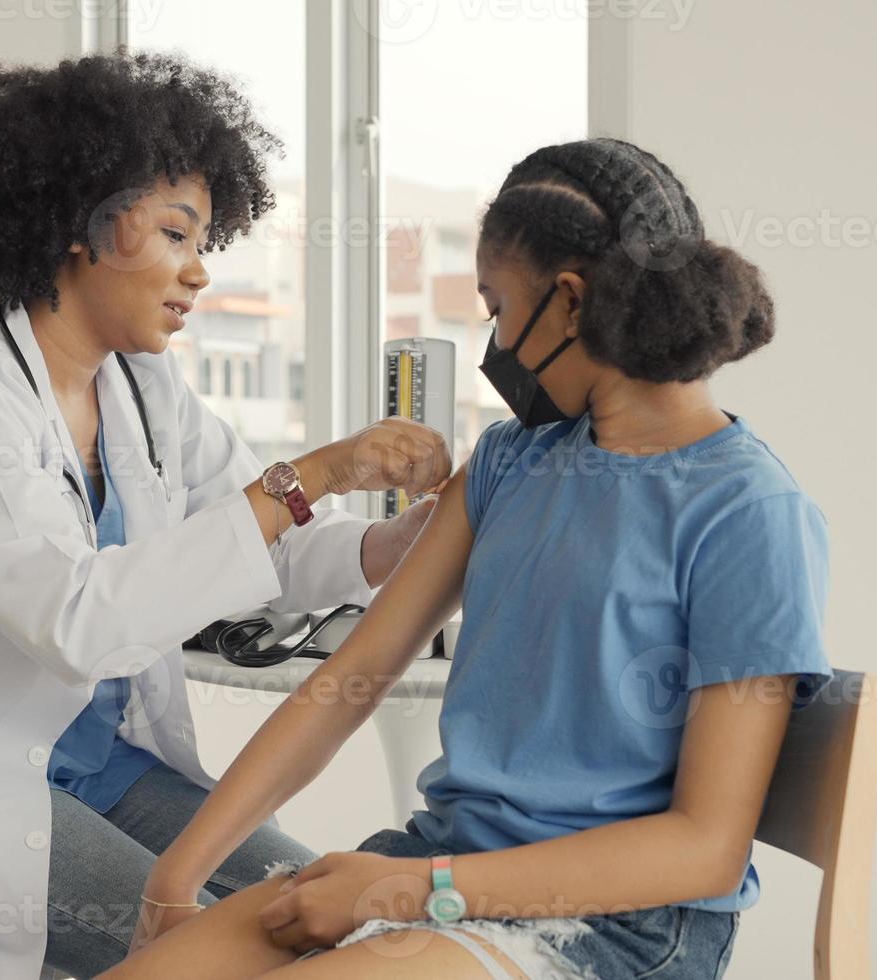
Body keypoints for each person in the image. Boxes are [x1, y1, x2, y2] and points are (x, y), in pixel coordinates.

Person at [0, 52, 450, 979]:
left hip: (99, 767)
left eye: (202, 240)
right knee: (233, 957)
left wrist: (393, 545)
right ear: (80, 226)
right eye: (175, 232)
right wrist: (315, 472)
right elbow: (79, 622)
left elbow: (262, 543)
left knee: (331, 921)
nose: (199, 273)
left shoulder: (142, 386)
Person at [103, 138, 834, 980]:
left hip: (615, 928)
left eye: (497, 307)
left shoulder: (747, 512)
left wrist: (408, 892)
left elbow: (703, 851)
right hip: (438, 866)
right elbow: (352, 679)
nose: (497, 343)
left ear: (569, 302)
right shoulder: (508, 462)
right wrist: (175, 877)